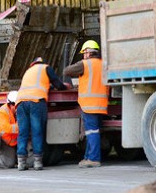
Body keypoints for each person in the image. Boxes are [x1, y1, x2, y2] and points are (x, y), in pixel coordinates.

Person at [16, 57, 70, 171]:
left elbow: (38, 84)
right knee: (37, 131)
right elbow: (58, 85)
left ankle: (21, 163)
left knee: (23, 133)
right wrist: (66, 86)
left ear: (33, 63)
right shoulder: (46, 68)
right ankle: (37, 162)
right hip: (36, 101)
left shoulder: (28, 71)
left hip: (20, 102)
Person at [63, 40, 109, 168]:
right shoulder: (103, 64)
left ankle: (93, 158)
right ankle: (88, 157)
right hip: (100, 104)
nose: (83, 56)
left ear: (89, 52)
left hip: (89, 104)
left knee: (92, 132)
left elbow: (67, 71)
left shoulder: (85, 64)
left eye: (84, 53)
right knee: (93, 132)